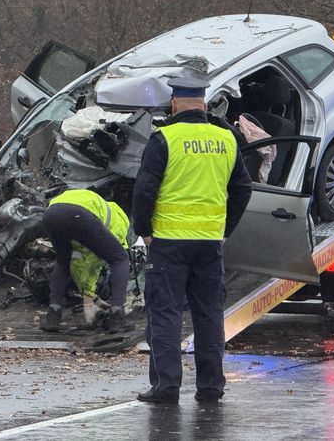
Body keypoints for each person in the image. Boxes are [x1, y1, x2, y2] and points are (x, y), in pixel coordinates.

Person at [133, 76, 252, 404]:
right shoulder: (226, 138)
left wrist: (143, 229)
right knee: (209, 315)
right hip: (210, 243)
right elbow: (243, 188)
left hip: (169, 242)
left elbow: (144, 188)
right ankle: (211, 386)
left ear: (174, 104)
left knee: (166, 313)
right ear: (203, 104)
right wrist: (225, 229)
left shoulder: (163, 139)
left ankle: (166, 386)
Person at [40, 188, 134, 333]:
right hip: (78, 214)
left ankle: (53, 316)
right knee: (120, 259)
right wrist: (89, 301)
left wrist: (90, 299)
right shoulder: (120, 224)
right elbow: (94, 261)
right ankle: (117, 317)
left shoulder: (103, 209)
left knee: (63, 262)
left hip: (50, 213)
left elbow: (77, 260)